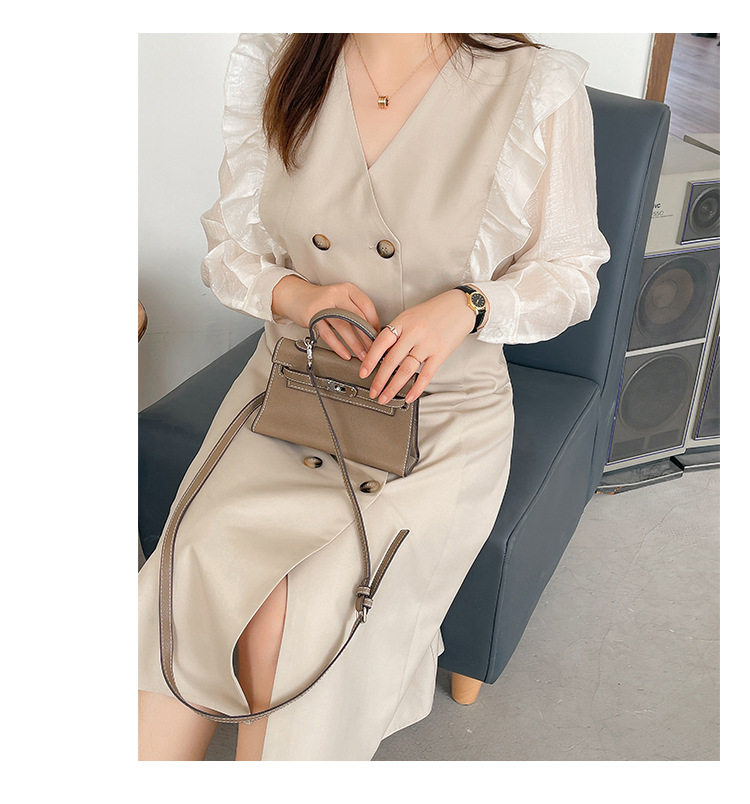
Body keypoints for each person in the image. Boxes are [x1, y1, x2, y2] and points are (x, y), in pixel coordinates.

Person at [138, 32, 611, 761]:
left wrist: (469, 306)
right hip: (290, 391)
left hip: (438, 415)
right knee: (190, 574)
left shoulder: (536, 83)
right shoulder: (281, 58)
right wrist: (296, 295)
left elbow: (572, 274)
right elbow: (229, 249)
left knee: (299, 616)